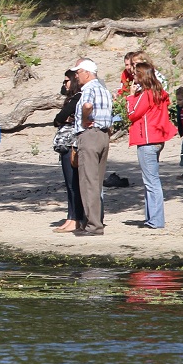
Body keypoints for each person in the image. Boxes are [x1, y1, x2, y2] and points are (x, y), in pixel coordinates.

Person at [126, 62, 177, 230]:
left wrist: (131, 96)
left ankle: (156, 220)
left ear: (142, 76)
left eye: (135, 74)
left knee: (151, 181)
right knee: (151, 180)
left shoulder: (146, 94)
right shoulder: (159, 92)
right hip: (157, 139)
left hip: (147, 140)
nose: (133, 76)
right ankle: (151, 217)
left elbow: (132, 114)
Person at [70, 59, 113, 236]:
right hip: (103, 136)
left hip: (90, 136)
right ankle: (95, 221)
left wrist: (83, 119)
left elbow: (87, 105)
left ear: (87, 73)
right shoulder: (104, 90)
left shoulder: (89, 89)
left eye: (78, 72)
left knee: (88, 182)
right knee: (96, 183)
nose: (76, 76)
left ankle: (93, 225)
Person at [52, 71, 85, 233]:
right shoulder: (73, 98)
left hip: (71, 144)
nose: (64, 84)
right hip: (67, 144)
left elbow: (60, 117)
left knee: (73, 184)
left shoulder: (78, 97)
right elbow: (58, 119)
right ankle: (71, 217)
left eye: (67, 81)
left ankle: (76, 218)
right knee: (70, 184)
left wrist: (62, 119)